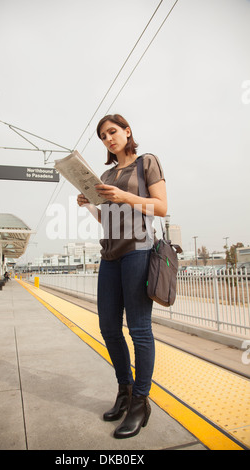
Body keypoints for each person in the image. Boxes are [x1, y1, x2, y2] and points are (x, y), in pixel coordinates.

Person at [77, 114, 167, 439]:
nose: (108, 139)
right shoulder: (105, 174)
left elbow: (161, 206)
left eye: (113, 132)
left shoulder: (146, 163)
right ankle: (125, 392)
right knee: (109, 328)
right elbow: (109, 219)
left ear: (127, 132)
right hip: (110, 254)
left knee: (139, 330)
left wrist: (124, 196)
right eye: (103, 136)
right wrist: (90, 205)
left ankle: (141, 402)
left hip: (139, 251)